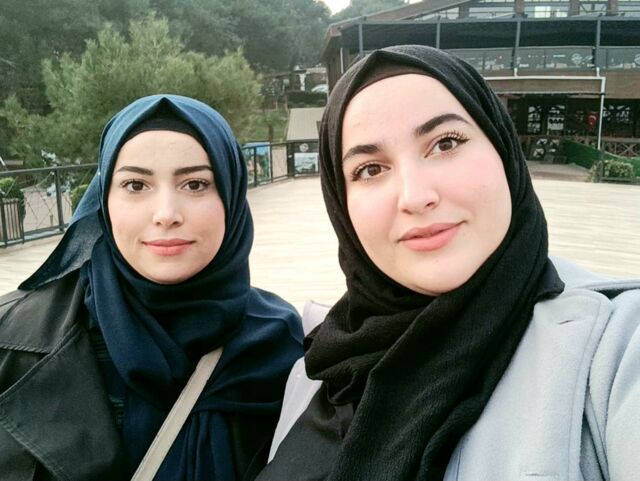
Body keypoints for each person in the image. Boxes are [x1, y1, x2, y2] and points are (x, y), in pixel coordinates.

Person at [256, 45, 640, 481]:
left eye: (446, 143)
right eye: (370, 169)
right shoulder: (317, 370)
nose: (415, 196)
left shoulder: (615, 350)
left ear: (502, 149)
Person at [0, 94, 303, 481]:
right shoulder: (13, 344)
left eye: (195, 184)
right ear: (103, 200)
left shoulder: (283, 345)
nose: (166, 214)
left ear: (231, 194)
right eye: (135, 184)